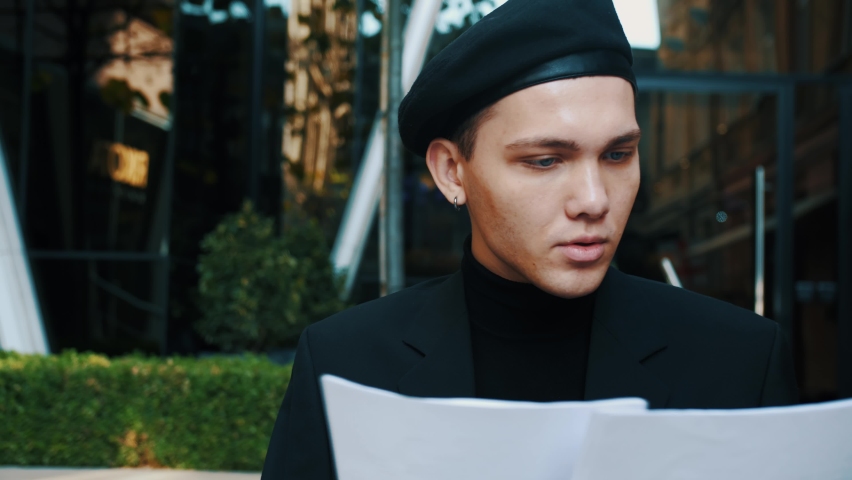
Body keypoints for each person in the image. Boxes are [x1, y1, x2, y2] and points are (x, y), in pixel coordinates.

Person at [260, 0, 798, 478]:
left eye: (617, 154)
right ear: (451, 171)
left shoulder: (740, 362)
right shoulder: (345, 365)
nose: (593, 199)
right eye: (545, 161)